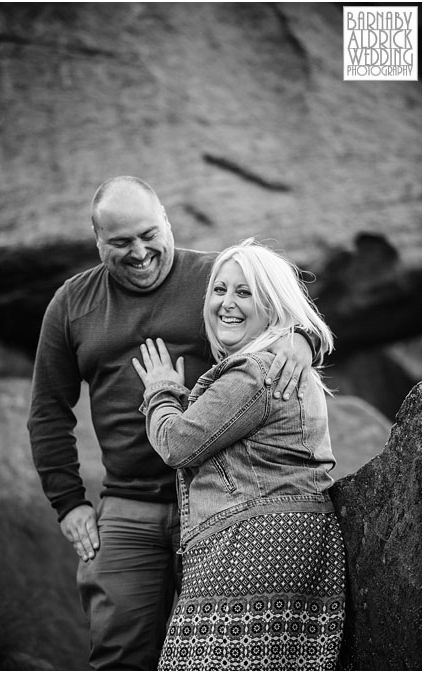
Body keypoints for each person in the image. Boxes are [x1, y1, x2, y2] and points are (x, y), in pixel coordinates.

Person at [27, 177, 320, 670]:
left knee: (218, 655)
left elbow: (289, 311)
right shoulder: (72, 303)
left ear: (167, 221)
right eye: (120, 242)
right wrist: (68, 503)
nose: (139, 252)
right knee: (118, 651)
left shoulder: (215, 278)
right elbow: (48, 409)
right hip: (127, 505)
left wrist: (302, 339)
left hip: (223, 503)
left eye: (148, 234)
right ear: (98, 241)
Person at [133, 239, 344, 670]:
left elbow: (177, 444)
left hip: (253, 543)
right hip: (283, 541)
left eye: (245, 292)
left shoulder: (257, 370)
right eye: (220, 290)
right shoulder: (280, 360)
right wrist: (307, 336)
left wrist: (160, 391)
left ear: (272, 305)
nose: (227, 303)